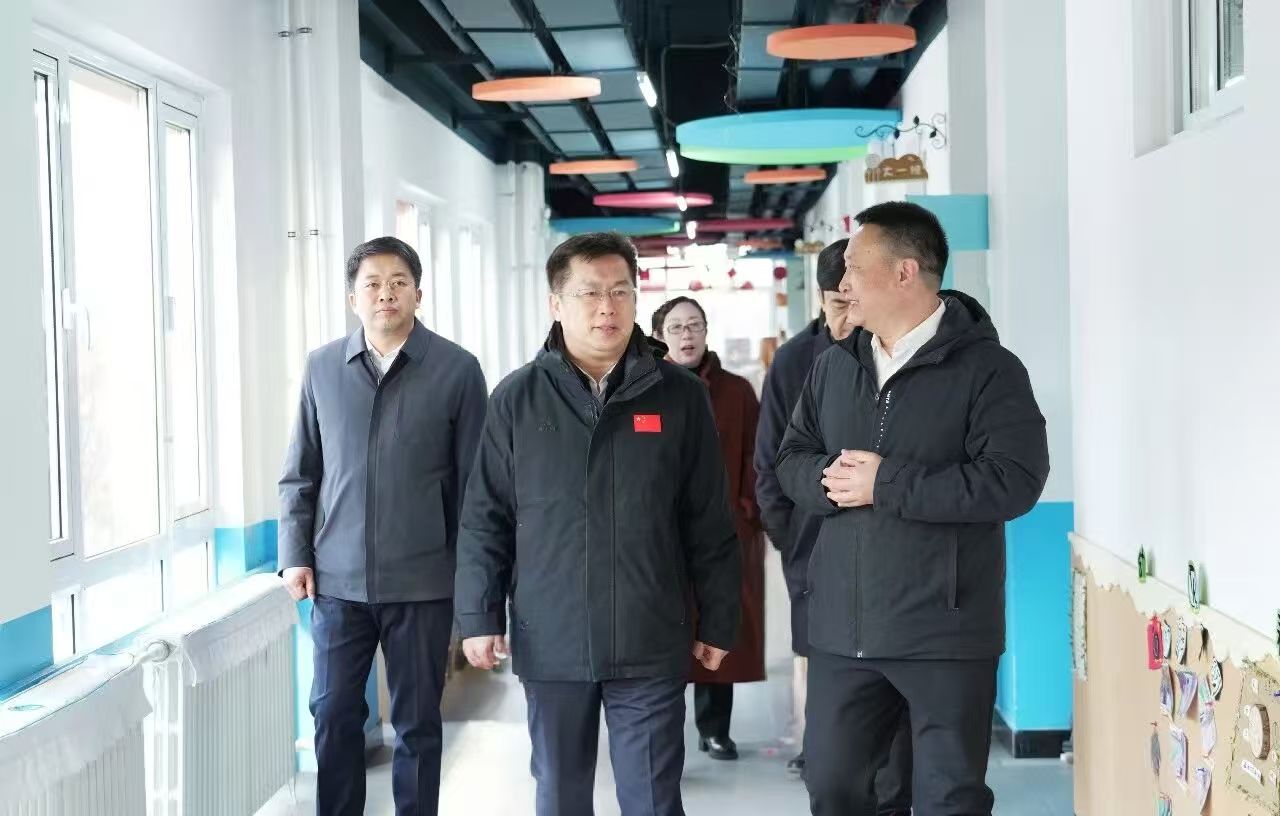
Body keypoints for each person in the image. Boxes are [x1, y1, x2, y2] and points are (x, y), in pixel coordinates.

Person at [454, 231, 742, 816]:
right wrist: (478, 616)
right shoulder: (516, 399)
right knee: (560, 794)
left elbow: (709, 519)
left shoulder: (680, 397)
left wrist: (718, 618)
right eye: (589, 292)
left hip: (649, 632)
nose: (606, 307)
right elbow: (486, 518)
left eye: (620, 291)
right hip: (552, 634)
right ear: (556, 304)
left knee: (654, 799)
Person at [777, 202, 1050, 816]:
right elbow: (790, 458)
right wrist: (827, 481)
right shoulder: (833, 366)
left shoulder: (990, 370)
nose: (842, 282)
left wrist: (888, 484)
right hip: (844, 630)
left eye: (854, 267)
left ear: (905, 272)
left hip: (945, 632)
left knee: (948, 798)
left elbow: (1014, 482)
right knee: (834, 788)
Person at [278, 236, 488, 816]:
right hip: (338, 582)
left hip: (423, 583)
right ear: (353, 298)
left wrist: (476, 586)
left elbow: (477, 488)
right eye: (372, 283)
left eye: (398, 282)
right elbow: (300, 472)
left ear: (419, 294)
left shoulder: (456, 370)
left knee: (417, 723)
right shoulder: (323, 367)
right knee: (333, 713)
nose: (385, 293)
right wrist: (295, 553)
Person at [755, 239, 912, 809]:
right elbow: (770, 464)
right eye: (837, 303)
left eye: (856, 300)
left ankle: (891, 790)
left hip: (896, 561)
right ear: (822, 299)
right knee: (823, 670)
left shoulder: (905, 357)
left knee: (896, 690)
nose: (849, 314)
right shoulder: (797, 362)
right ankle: (821, 757)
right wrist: (792, 545)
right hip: (816, 553)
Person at [651, 296, 764, 762]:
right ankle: (662, 738)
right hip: (660, 537)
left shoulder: (736, 391)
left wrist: (745, 511)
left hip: (721, 533)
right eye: (676, 327)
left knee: (718, 627)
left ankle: (715, 728)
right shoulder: (646, 390)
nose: (687, 335)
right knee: (661, 635)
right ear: (659, 337)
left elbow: (757, 456)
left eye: (694, 325)